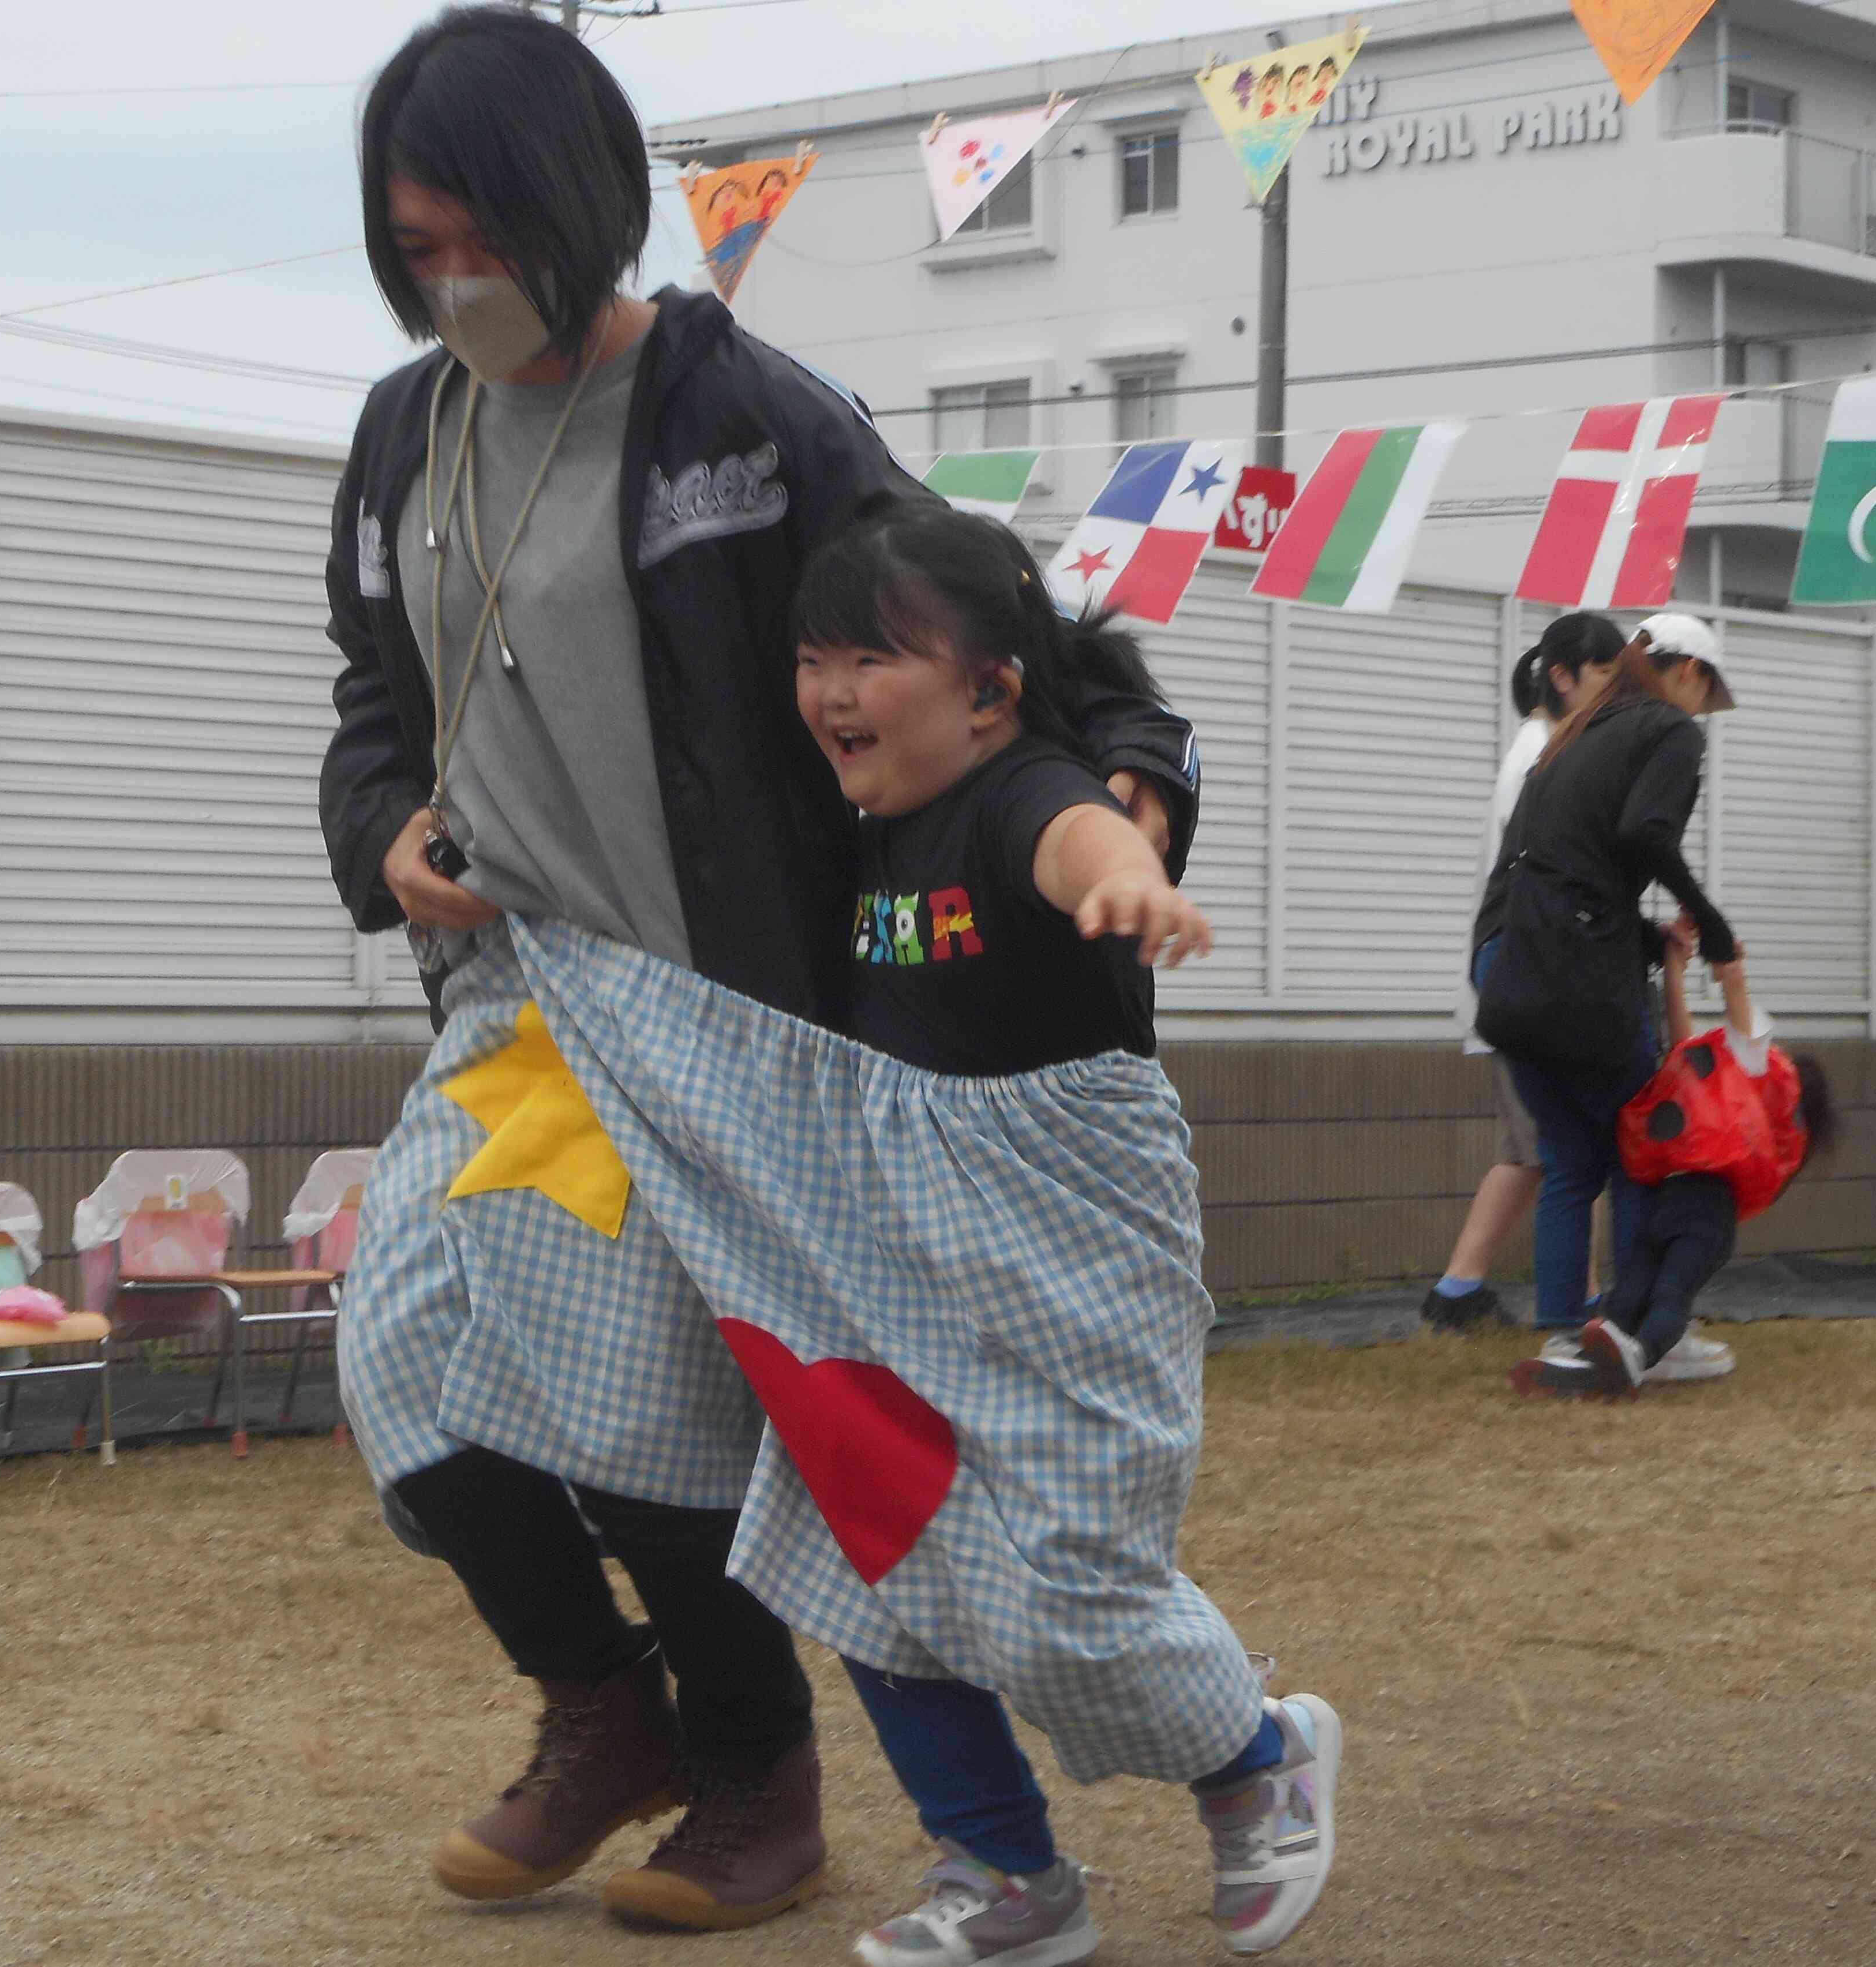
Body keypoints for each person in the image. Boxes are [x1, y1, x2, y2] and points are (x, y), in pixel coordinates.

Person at [317, 6, 1201, 1933]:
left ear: (580, 206)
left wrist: (1122, 788)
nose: (448, 278)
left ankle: (754, 1774)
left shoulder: (744, 415)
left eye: (476, 235)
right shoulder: (403, 434)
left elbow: (979, 613)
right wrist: (379, 826)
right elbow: (373, 704)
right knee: (410, 1382)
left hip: (725, 1020)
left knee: (637, 1408)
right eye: (415, 248)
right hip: (518, 1010)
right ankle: (605, 1708)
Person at [791, 509, 1344, 1965]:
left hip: (1070, 1248)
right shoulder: (864, 823)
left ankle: (1255, 1754)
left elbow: (1076, 829)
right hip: (901, 1247)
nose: (834, 691)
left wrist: (1129, 873)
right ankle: (1006, 1870)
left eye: (873, 657)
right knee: (867, 1551)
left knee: (1075, 1588)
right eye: (813, 657)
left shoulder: (1020, 790)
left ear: (991, 688)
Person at [1470, 612, 1738, 1337]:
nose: (1700, 709)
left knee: (1567, 1162)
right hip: (1579, 973)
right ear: (1688, 671)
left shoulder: (1571, 736)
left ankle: (1566, 1328)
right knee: (1640, 1151)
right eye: (1704, 690)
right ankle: (1637, 1330)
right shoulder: (1669, 731)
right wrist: (1709, 922)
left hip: (1508, 968)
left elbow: (1562, 865)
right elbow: (1643, 833)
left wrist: (1648, 938)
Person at [1511, 931, 1834, 1398]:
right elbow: (1685, 1043)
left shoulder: (1764, 1081)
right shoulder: (1729, 1086)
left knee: (1667, 1295)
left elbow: (1742, 1019)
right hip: (1683, 1207)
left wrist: (1728, 970)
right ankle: (1593, 1362)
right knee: (1627, 1298)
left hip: (1698, 1208)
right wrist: (1675, 969)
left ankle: (1635, 1361)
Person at [1422, 643, 1560, 1333]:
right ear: (1562, 680)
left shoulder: (1533, 752)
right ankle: (1577, 1303)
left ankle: (1458, 1290)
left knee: (1532, 1150)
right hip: (1521, 986)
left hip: (1511, 985)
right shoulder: (1540, 760)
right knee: (1558, 1151)